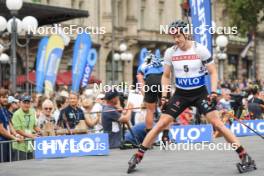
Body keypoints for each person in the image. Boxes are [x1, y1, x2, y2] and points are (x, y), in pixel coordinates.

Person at [127, 20, 256, 174]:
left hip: (200, 92)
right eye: (173, 37)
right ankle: (138, 155)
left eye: (179, 36)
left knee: (218, 124)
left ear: (186, 34)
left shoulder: (200, 50)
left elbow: (213, 72)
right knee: (162, 123)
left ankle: (244, 155)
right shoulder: (170, 52)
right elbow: (166, 76)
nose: (176, 40)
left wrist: (214, 92)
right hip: (181, 94)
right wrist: (164, 97)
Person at [137, 51, 170, 142]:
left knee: (150, 110)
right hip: (163, 79)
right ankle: (166, 136)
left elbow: (141, 84)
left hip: (150, 79)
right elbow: (168, 76)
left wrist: (146, 98)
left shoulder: (142, 65)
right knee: (166, 110)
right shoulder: (163, 62)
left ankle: (149, 138)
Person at [12, 95, 41, 161]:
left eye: (28, 103)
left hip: (30, 145)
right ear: (20, 103)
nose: (26, 105)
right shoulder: (16, 114)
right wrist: (30, 136)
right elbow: (17, 130)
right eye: (24, 102)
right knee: (20, 167)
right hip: (20, 146)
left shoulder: (33, 112)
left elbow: (34, 126)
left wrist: (40, 132)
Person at [0, 89, 23, 162]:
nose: (6, 99)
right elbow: (1, 130)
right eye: (3, 97)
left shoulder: (4, 109)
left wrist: (16, 135)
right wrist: (14, 138)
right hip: (1, 142)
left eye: (6, 97)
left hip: (7, 141)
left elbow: (9, 124)